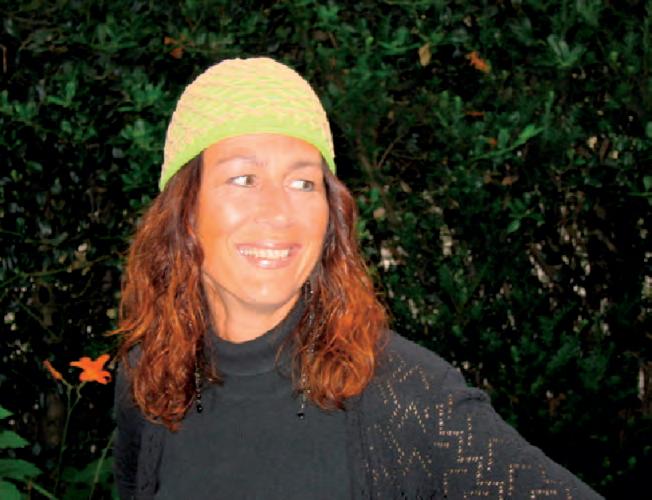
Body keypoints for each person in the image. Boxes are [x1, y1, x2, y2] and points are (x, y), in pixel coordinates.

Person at [113, 57, 602, 499]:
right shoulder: (152, 375)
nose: (279, 212)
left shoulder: (406, 395)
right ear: (184, 211)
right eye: (244, 179)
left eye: (303, 182)